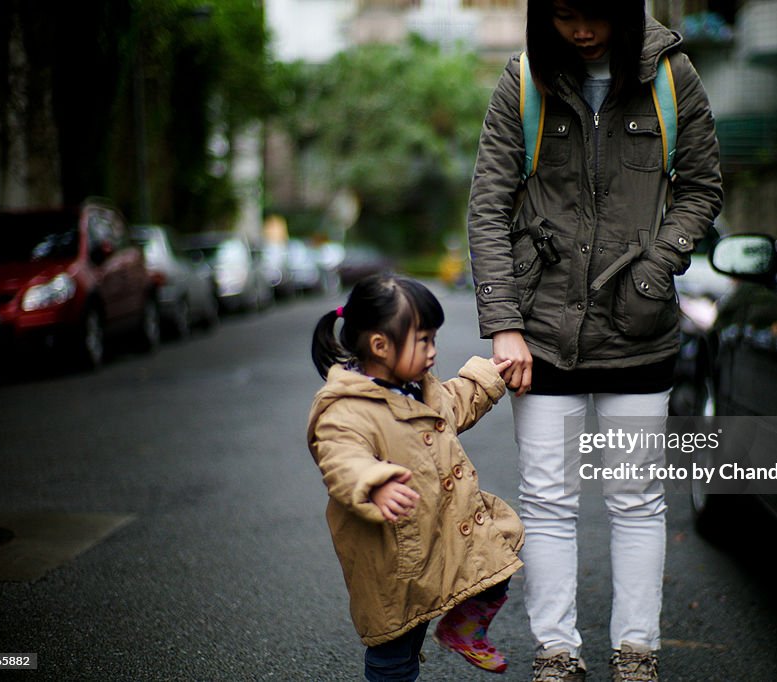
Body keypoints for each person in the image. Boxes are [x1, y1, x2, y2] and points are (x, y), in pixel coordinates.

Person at [467, 1, 723, 680]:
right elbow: (489, 205)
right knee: (548, 498)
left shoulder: (673, 79)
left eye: (595, 16)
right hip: (543, 331)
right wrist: (504, 324)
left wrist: (657, 265)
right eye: (563, 15)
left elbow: (700, 188)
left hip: (637, 329)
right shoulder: (524, 82)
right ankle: (557, 652)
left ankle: (636, 650)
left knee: (634, 498)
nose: (580, 31)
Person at [306, 273, 526, 681]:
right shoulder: (344, 409)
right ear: (379, 346)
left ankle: (463, 627)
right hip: (393, 559)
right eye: (423, 340)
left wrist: (489, 376)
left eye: (433, 339)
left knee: (499, 554)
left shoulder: (417, 388)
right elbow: (341, 457)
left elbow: (456, 402)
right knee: (395, 653)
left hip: (437, 538)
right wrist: (374, 480)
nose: (433, 351)